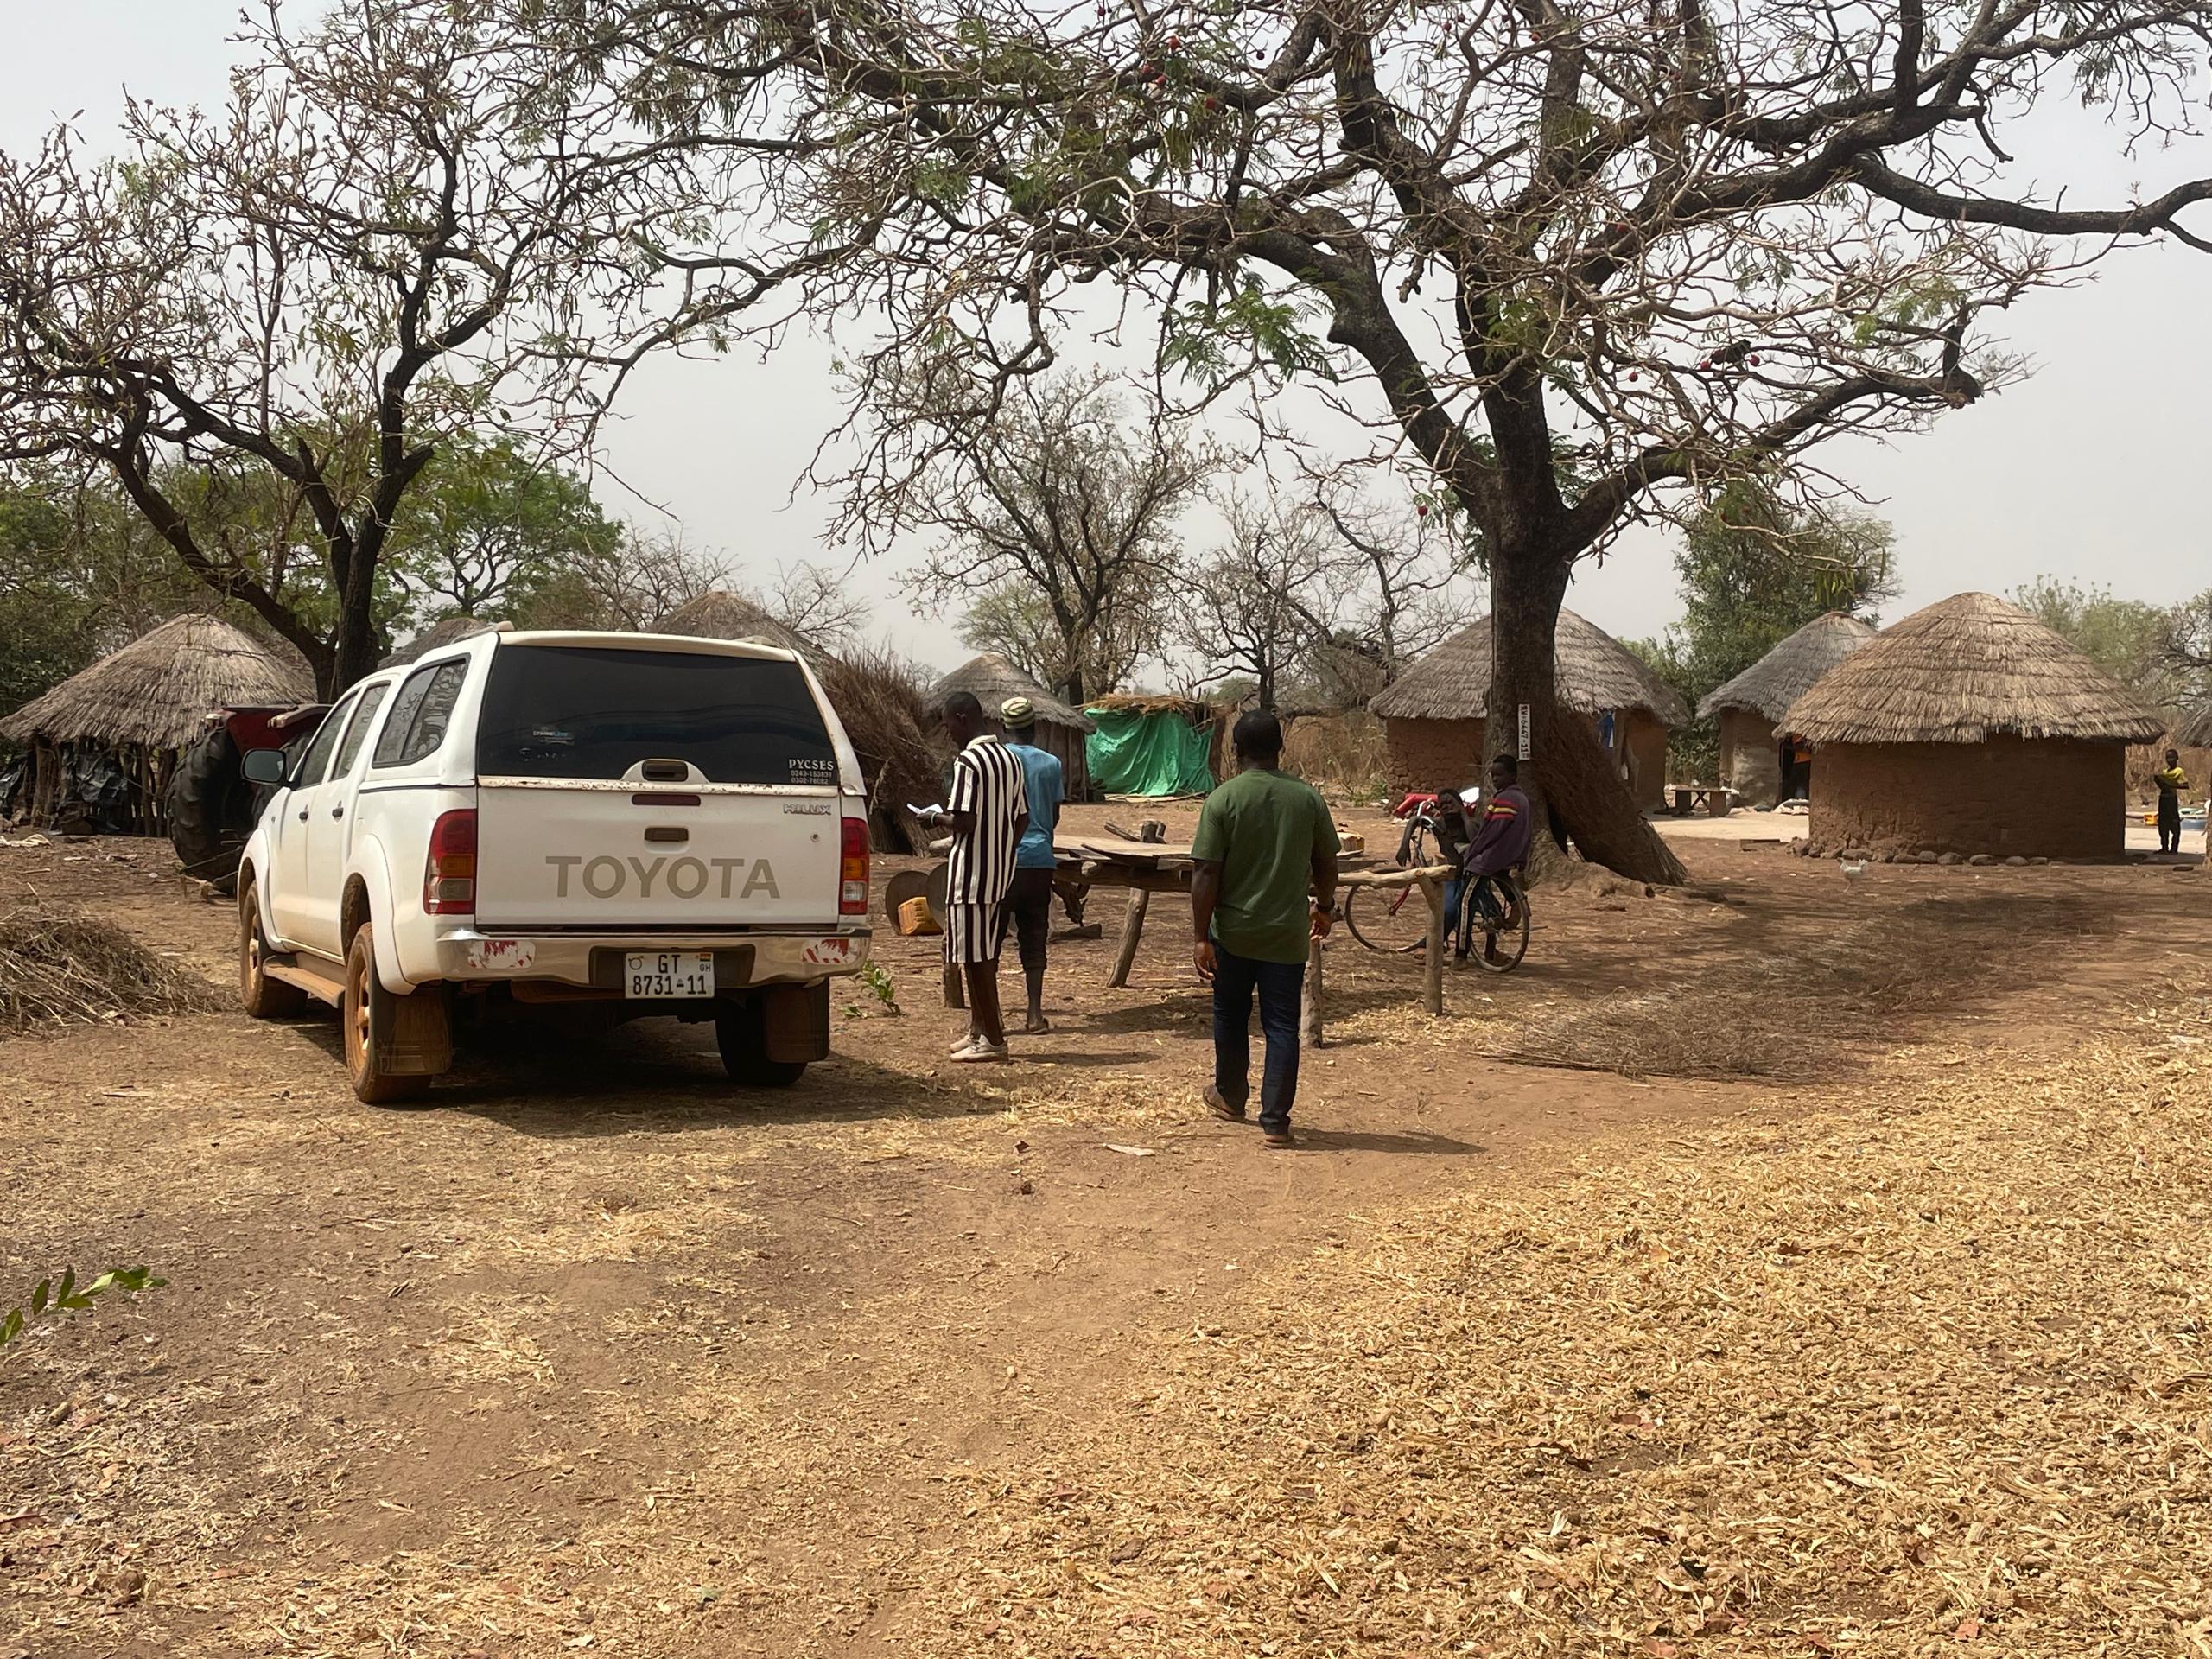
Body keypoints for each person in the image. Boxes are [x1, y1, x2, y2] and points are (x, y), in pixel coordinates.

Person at [1190, 711, 1340, 1149]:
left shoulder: (1222, 800)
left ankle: (1230, 1096)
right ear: (1281, 748)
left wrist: (1200, 936)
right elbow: (1326, 862)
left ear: (1236, 750)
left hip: (1233, 934)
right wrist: (1325, 907)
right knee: (1281, 1026)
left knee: (1230, 1015)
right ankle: (1275, 1121)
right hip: (1286, 937)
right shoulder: (1307, 799)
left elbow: (1205, 872)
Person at [938, 690, 1027, 1061]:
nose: (949, 735)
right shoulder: (1010, 759)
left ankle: (993, 1038)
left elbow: (965, 821)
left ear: (962, 719)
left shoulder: (968, 762)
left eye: (949, 726)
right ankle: (978, 1029)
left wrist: (933, 818)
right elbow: (1022, 818)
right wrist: (1003, 851)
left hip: (970, 877)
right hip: (999, 875)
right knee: (985, 953)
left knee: (975, 960)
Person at [998, 696, 1064, 1033]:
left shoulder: (995, 761)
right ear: (1035, 727)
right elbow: (1053, 815)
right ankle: (1034, 1014)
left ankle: (991, 1015)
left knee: (990, 940)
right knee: (1034, 936)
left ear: (1004, 727)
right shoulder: (1051, 764)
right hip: (1039, 862)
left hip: (1002, 861)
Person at [1460, 752, 1534, 963]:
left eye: (1499, 775)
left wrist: (1472, 853)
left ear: (1513, 775)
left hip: (1492, 857)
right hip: (1510, 855)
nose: (1495, 779)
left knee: (1465, 903)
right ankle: (1514, 903)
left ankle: (1460, 954)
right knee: (1491, 887)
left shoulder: (1505, 799)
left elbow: (1491, 832)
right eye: (1493, 775)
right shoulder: (1521, 798)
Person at [2154, 748, 2191, 855]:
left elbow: (2185, 785)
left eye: (2172, 757)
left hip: (2171, 799)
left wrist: (2171, 785)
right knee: (2162, 823)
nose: (2169, 760)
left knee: (2174, 823)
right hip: (2163, 798)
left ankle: (2174, 848)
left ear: (2177, 758)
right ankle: (2164, 847)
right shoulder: (2165, 772)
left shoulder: (2179, 771)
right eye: (2168, 758)